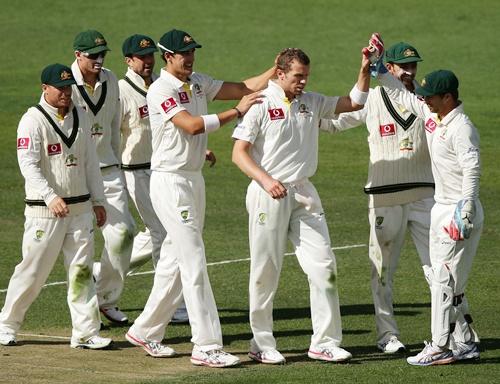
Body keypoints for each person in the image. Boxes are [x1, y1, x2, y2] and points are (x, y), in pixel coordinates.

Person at [125, 28, 276, 368]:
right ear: (168, 57)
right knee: (193, 259)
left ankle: (145, 330)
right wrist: (236, 113)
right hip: (169, 182)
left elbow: (243, 87)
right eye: (184, 54)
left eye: (193, 52)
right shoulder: (160, 90)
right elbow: (190, 125)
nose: (190, 58)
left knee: (174, 262)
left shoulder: (197, 81)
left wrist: (275, 70)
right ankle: (206, 345)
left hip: (193, 179)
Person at [231, 45, 374, 364]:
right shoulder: (260, 103)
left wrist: (365, 69)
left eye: (306, 76)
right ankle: (260, 343)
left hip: (304, 192)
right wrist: (267, 181)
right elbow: (239, 152)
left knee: (324, 266)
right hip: (269, 193)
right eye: (298, 76)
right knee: (265, 270)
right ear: (280, 74)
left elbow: (353, 103)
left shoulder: (312, 101)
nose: (304, 82)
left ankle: (324, 341)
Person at [320, 42, 434, 354]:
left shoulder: (426, 97)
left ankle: (449, 332)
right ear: (391, 68)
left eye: (413, 66)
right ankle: (388, 335)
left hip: (426, 195)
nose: (410, 72)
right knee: (383, 271)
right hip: (384, 198)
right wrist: (299, 111)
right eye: (403, 67)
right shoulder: (371, 97)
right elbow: (331, 122)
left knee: (439, 267)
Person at [0, 64, 112, 349]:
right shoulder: (32, 120)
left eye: (68, 87)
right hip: (44, 211)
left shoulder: (81, 115)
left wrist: (98, 200)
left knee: (81, 271)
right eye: (59, 87)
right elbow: (28, 165)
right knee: (33, 271)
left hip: (80, 209)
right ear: (44, 88)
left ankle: (86, 332)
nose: (65, 93)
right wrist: (50, 196)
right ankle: (7, 324)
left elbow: (90, 163)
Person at [376, 66, 482, 365]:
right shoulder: (435, 118)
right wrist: (379, 68)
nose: (426, 101)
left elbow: (472, 169)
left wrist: (467, 208)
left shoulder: (462, 128)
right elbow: (403, 97)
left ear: (448, 97)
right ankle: (466, 342)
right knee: (448, 281)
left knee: (443, 281)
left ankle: (439, 347)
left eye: (431, 97)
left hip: (458, 211)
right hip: (442, 207)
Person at [115, 34, 189, 322]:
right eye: (141, 58)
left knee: (158, 234)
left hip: (162, 168)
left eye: (150, 57)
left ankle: (104, 271)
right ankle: (171, 306)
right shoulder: (121, 91)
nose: (147, 62)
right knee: (164, 234)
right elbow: (112, 136)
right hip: (134, 172)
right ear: (128, 60)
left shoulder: (162, 85)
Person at [71, 30, 136, 325]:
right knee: (63, 251)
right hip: (75, 177)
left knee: (123, 235)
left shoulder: (111, 79)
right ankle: (8, 318)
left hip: (109, 172)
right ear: (78, 55)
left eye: (102, 55)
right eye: (92, 55)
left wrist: (115, 166)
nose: (99, 60)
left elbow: (112, 127)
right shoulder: (65, 84)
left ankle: (106, 299)